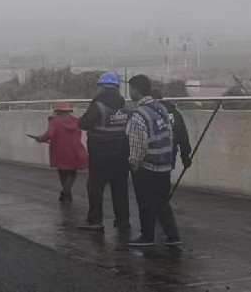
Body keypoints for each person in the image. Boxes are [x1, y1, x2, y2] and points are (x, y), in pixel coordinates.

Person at [125, 75, 181, 247]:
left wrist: (133, 164)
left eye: (130, 89)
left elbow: (138, 145)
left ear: (136, 90)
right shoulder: (161, 108)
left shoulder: (138, 114)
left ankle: (147, 236)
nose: (129, 92)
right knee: (162, 202)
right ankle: (173, 236)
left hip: (147, 166)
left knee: (146, 203)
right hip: (164, 164)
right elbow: (170, 136)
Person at [77, 72, 133, 232]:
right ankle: (123, 221)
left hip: (100, 153)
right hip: (121, 151)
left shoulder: (97, 105)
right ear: (116, 87)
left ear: (101, 87)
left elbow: (84, 124)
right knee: (120, 188)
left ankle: (95, 220)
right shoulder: (125, 105)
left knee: (95, 187)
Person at [33, 102, 89, 203]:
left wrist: (40, 139)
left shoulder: (54, 121)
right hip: (75, 149)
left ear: (57, 111)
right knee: (72, 172)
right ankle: (66, 191)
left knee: (62, 171)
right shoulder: (76, 120)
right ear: (69, 111)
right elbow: (79, 134)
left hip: (59, 151)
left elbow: (48, 135)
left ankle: (65, 191)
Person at [151, 90, 193, 170]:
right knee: (165, 176)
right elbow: (182, 135)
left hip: (152, 153)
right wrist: (185, 156)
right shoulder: (174, 112)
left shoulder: (148, 112)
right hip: (170, 151)